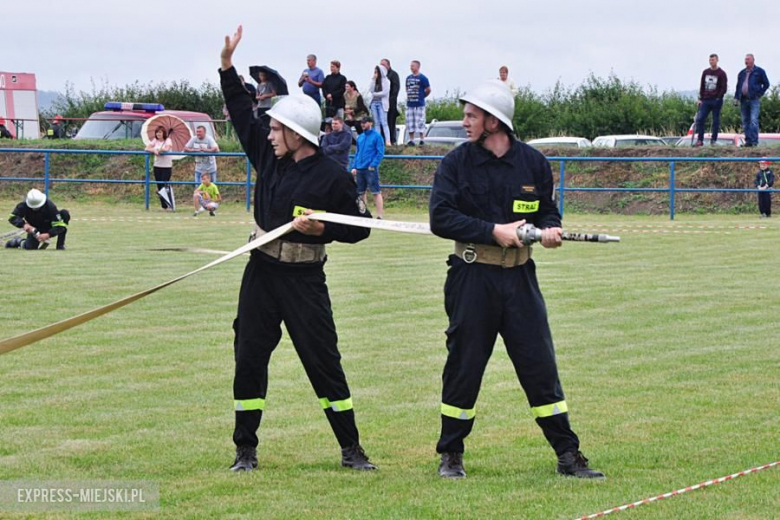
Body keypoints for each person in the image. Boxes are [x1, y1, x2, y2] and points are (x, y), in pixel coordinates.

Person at [428, 80, 604, 480]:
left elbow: (546, 211)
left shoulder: (533, 164)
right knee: (464, 366)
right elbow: (441, 218)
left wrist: (552, 229)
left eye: (472, 115)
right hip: (472, 276)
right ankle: (451, 454)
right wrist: (493, 230)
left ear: (495, 121)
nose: (465, 121)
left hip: (520, 278)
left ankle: (567, 454)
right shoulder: (456, 164)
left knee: (539, 365)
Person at [220, 25, 376, 473]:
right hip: (262, 274)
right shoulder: (268, 157)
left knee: (323, 361)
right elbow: (238, 111)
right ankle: (245, 450)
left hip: (306, 279)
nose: (268, 134)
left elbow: (360, 229)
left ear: (296, 133)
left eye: (276, 129)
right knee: (249, 356)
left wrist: (322, 228)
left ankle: (351, 450)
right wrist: (228, 67)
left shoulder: (334, 177)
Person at [350, 116, 385, 219]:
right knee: (361, 193)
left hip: (370, 169)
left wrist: (372, 165)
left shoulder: (377, 136)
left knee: (376, 191)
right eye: (362, 123)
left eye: (365, 122)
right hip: (360, 168)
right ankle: (364, 214)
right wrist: (354, 166)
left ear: (371, 123)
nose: (363, 124)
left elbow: (380, 153)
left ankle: (379, 215)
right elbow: (357, 153)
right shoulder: (360, 137)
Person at [734, 54, 770, 147]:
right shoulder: (742, 73)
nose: (746, 61)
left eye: (748, 59)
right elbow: (738, 86)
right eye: (745, 59)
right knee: (745, 121)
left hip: (754, 99)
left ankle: (754, 141)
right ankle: (748, 141)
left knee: (753, 120)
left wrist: (759, 94)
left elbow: (766, 84)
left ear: (753, 60)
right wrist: (736, 98)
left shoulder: (759, 71)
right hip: (743, 100)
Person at [694, 54, 728, 146]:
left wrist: (718, 97)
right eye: (710, 60)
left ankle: (713, 140)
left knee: (715, 120)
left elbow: (723, 87)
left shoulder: (721, 73)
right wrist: (700, 98)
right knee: (700, 119)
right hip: (705, 99)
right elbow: (702, 85)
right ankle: (700, 140)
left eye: (713, 60)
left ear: (717, 60)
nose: (711, 61)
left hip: (716, 100)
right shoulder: (705, 72)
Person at [145, 126, 175, 210]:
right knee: (159, 186)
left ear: (164, 133)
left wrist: (160, 150)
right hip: (157, 165)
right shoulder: (155, 140)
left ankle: (169, 204)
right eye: (157, 132)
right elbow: (147, 148)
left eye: (160, 132)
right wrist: (154, 150)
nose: (158, 134)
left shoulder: (168, 140)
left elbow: (167, 148)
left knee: (164, 185)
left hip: (166, 166)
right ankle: (164, 206)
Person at [405, 60, 431, 146]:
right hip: (410, 104)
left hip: (419, 104)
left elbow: (428, 89)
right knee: (410, 122)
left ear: (418, 67)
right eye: (410, 66)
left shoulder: (423, 78)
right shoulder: (408, 78)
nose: (411, 67)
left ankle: (422, 139)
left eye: (413, 66)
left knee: (420, 121)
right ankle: (411, 139)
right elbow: (407, 88)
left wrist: (422, 96)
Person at [368, 65, 392, 146]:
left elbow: (385, 92)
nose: (375, 74)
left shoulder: (386, 81)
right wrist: (373, 79)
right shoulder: (374, 80)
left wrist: (375, 94)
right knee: (377, 123)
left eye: (377, 72)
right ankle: (378, 141)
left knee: (384, 122)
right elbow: (371, 89)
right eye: (374, 72)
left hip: (382, 103)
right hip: (374, 103)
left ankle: (388, 141)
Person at [381, 58, 401, 145]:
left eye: (383, 65)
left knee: (390, 122)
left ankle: (392, 140)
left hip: (391, 103)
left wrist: (390, 101)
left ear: (388, 65)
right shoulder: (380, 75)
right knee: (382, 122)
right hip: (381, 103)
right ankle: (383, 139)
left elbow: (395, 90)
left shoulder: (394, 75)